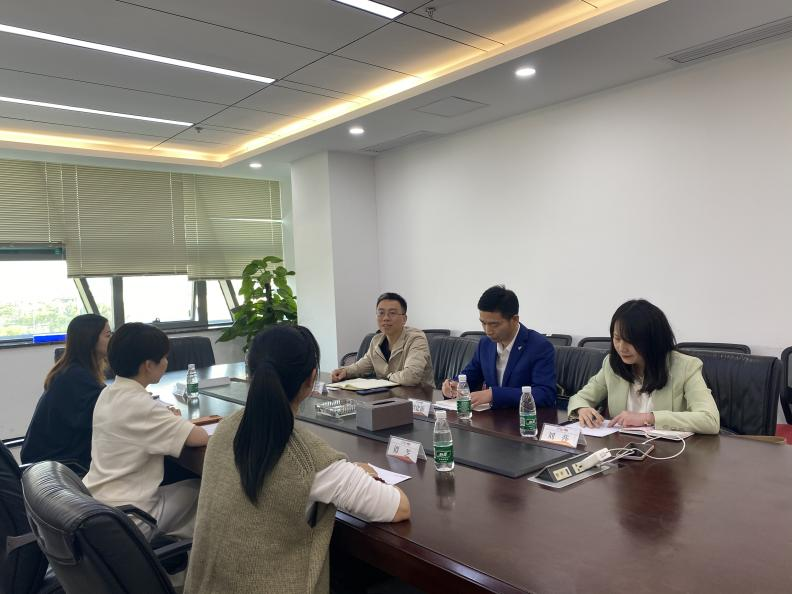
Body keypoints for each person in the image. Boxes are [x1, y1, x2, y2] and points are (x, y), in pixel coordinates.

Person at [185, 325, 410, 594]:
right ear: (312, 379)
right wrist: (362, 473)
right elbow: (400, 508)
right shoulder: (311, 460)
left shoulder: (224, 429)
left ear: (250, 373)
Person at [83, 323, 208, 540]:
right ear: (148, 365)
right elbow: (200, 437)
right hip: (132, 515)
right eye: (164, 357)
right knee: (207, 493)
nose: (167, 362)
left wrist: (166, 419)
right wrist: (172, 420)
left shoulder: (108, 393)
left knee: (189, 487)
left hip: (98, 502)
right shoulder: (143, 406)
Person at [568, 299, 720, 434]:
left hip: (670, 452)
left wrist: (648, 418)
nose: (621, 347)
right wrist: (582, 409)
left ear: (653, 340)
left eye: (630, 340)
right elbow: (580, 398)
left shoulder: (686, 367)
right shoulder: (612, 364)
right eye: (617, 338)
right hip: (623, 450)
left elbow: (710, 420)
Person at [21, 314, 111, 470]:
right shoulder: (77, 378)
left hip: (47, 460)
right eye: (108, 335)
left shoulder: (71, 370)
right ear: (90, 340)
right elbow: (110, 412)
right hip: (59, 465)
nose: (112, 340)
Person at [442, 285, 556, 408]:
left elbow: (545, 394)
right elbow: (470, 376)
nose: (487, 330)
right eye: (483, 323)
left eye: (494, 324)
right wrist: (454, 384)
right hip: (491, 417)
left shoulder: (539, 347)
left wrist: (493, 394)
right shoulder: (485, 344)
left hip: (524, 416)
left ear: (514, 320)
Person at [331, 292, 433, 388]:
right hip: (387, 396)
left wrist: (388, 377)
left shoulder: (416, 339)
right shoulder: (376, 341)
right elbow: (361, 366)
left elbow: (410, 377)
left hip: (418, 397)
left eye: (392, 313)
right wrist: (345, 371)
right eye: (381, 313)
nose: (385, 318)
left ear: (404, 319)